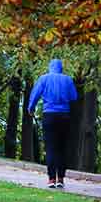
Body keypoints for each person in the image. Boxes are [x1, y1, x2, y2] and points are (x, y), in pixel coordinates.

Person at [28, 59, 78, 188]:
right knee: (62, 147)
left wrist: (31, 108)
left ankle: (51, 179)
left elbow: (35, 94)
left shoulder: (44, 79)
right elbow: (74, 97)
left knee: (50, 147)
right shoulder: (68, 80)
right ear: (61, 68)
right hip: (64, 116)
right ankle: (60, 178)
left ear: (50, 67)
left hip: (49, 115)